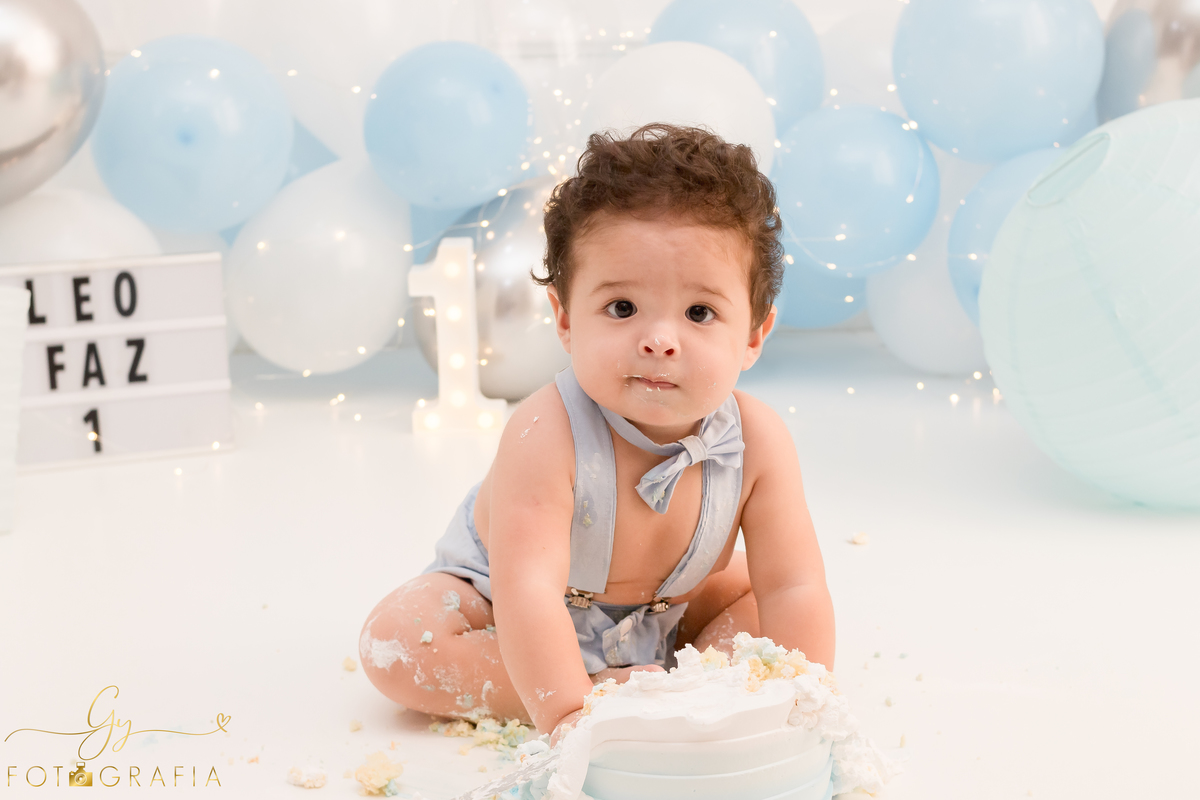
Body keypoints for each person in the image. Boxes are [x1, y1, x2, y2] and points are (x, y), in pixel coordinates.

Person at [359, 122, 834, 744]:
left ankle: (695, 679)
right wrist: (570, 717)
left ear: (753, 334)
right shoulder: (543, 431)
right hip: (506, 608)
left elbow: (793, 583)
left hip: (661, 610)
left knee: (756, 592)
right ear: (564, 317)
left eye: (699, 313)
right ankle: (598, 688)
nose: (659, 339)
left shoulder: (759, 442)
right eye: (622, 308)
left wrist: (805, 689)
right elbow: (526, 588)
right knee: (396, 642)